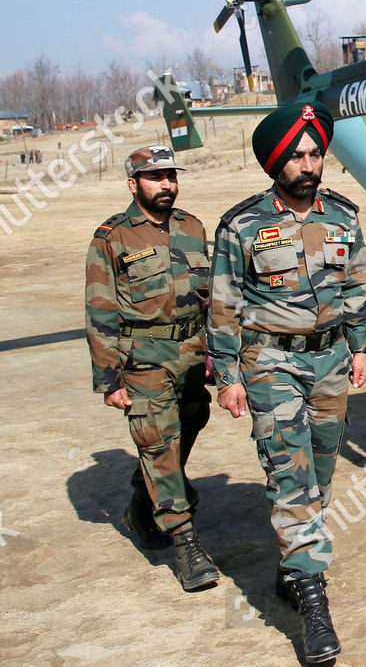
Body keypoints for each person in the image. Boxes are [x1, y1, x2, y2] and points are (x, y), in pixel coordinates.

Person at [209, 102, 366, 665]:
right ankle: (312, 600)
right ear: (275, 163)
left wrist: (361, 347)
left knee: (321, 470)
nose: (308, 164)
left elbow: (356, 285)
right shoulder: (242, 224)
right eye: (297, 157)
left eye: (314, 154)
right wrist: (227, 375)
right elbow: (224, 305)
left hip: (329, 361)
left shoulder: (344, 216)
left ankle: (292, 560)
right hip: (270, 364)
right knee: (292, 475)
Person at [84, 144, 218, 592]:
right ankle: (185, 543)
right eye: (155, 177)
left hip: (193, 353)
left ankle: (143, 501)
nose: (166, 184)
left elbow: (213, 297)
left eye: (171, 176)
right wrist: (109, 378)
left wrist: (218, 350)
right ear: (133, 183)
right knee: (159, 443)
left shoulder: (193, 227)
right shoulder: (113, 236)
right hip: (143, 358)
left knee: (192, 421)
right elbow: (100, 310)